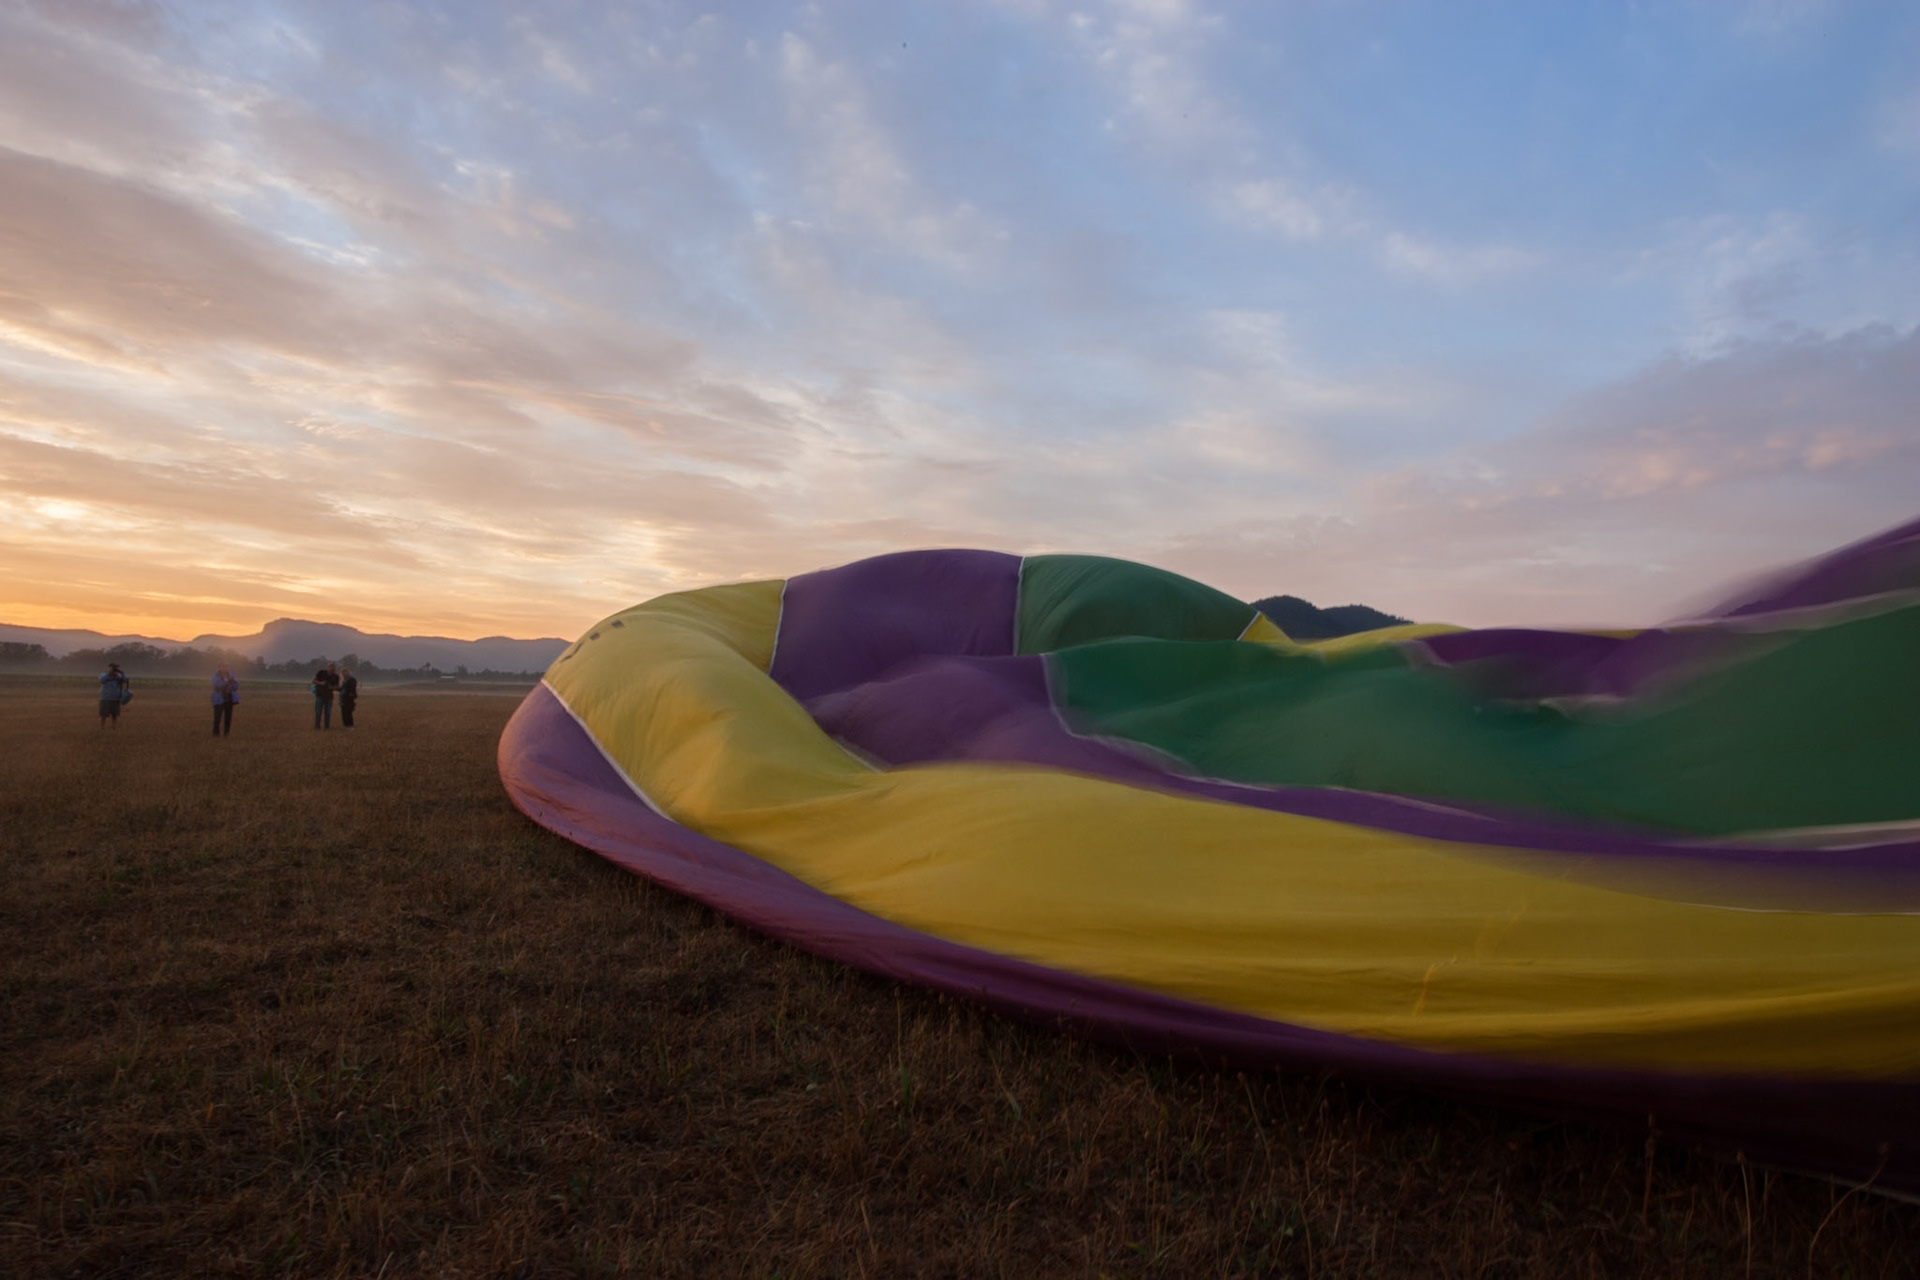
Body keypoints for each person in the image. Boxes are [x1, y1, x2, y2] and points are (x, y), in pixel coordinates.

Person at [98, 662, 130, 730]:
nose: (115, 671)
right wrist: (109, 674)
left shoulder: (119, 676)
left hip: (116, 698)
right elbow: (101, 680)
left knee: (115, 715)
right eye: (114, 668)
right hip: (105, 698)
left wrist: (122, 673)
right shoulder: (104, 675)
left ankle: (114, 727)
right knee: (104, 715)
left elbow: (126, 679)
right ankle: (102, 728)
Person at [211, 664, 239, 737]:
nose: (224, 668)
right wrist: (227, 682)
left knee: (228, 717)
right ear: (219, 668)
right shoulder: (215, 676)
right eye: (222, 667)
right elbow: (217, 685)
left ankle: (226, 733)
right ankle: (216, 733)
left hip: (229, 699)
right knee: (217, 717)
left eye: (226, 667)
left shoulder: (231, 675)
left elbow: (236, 687)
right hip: (218, 699)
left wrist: (233, 683)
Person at [312, 661, 340, 729]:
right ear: (327, 667)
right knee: (318, 712)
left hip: (329, 697)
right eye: (330, 667)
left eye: (333, 668)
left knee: (328, 713)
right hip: (320, 695)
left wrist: (332, 687)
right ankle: (317, 726)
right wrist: (321, 683)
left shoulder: (336, 676)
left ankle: (326, 727)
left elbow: (338, 686)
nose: (332, 669)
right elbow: (313, 681)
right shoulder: (321, 673)